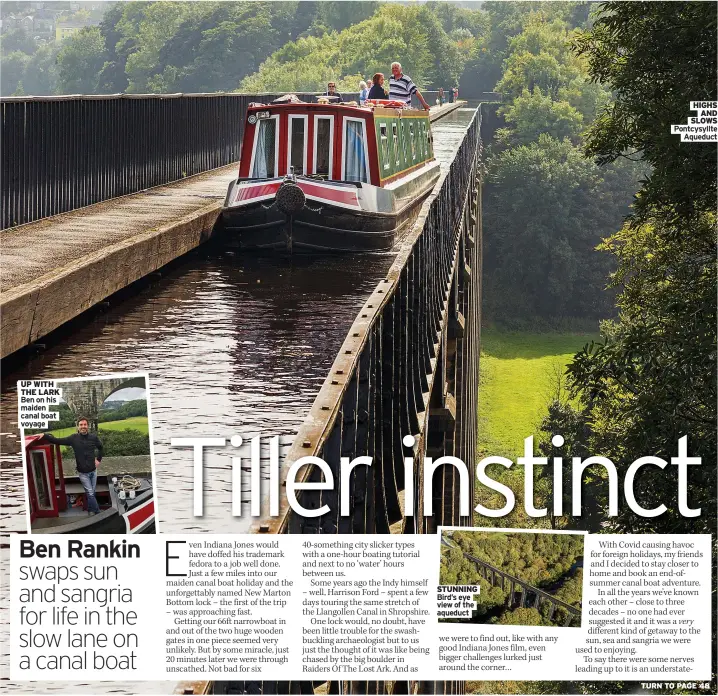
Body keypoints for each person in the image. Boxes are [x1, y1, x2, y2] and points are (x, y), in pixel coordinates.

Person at [42, 416, 103, 515]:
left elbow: (101, 448)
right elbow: (58, 440)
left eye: (85, 424)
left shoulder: (93, 438)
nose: (83, 426)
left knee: (92, 492)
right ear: (78, 427)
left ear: (88, 426)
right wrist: (45, 436)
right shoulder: (73, 438)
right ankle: (98, 513)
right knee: (90, 493)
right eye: (81, 425)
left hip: (93, 471)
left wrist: (99, 459)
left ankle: (91, 509)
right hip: (83, 473)